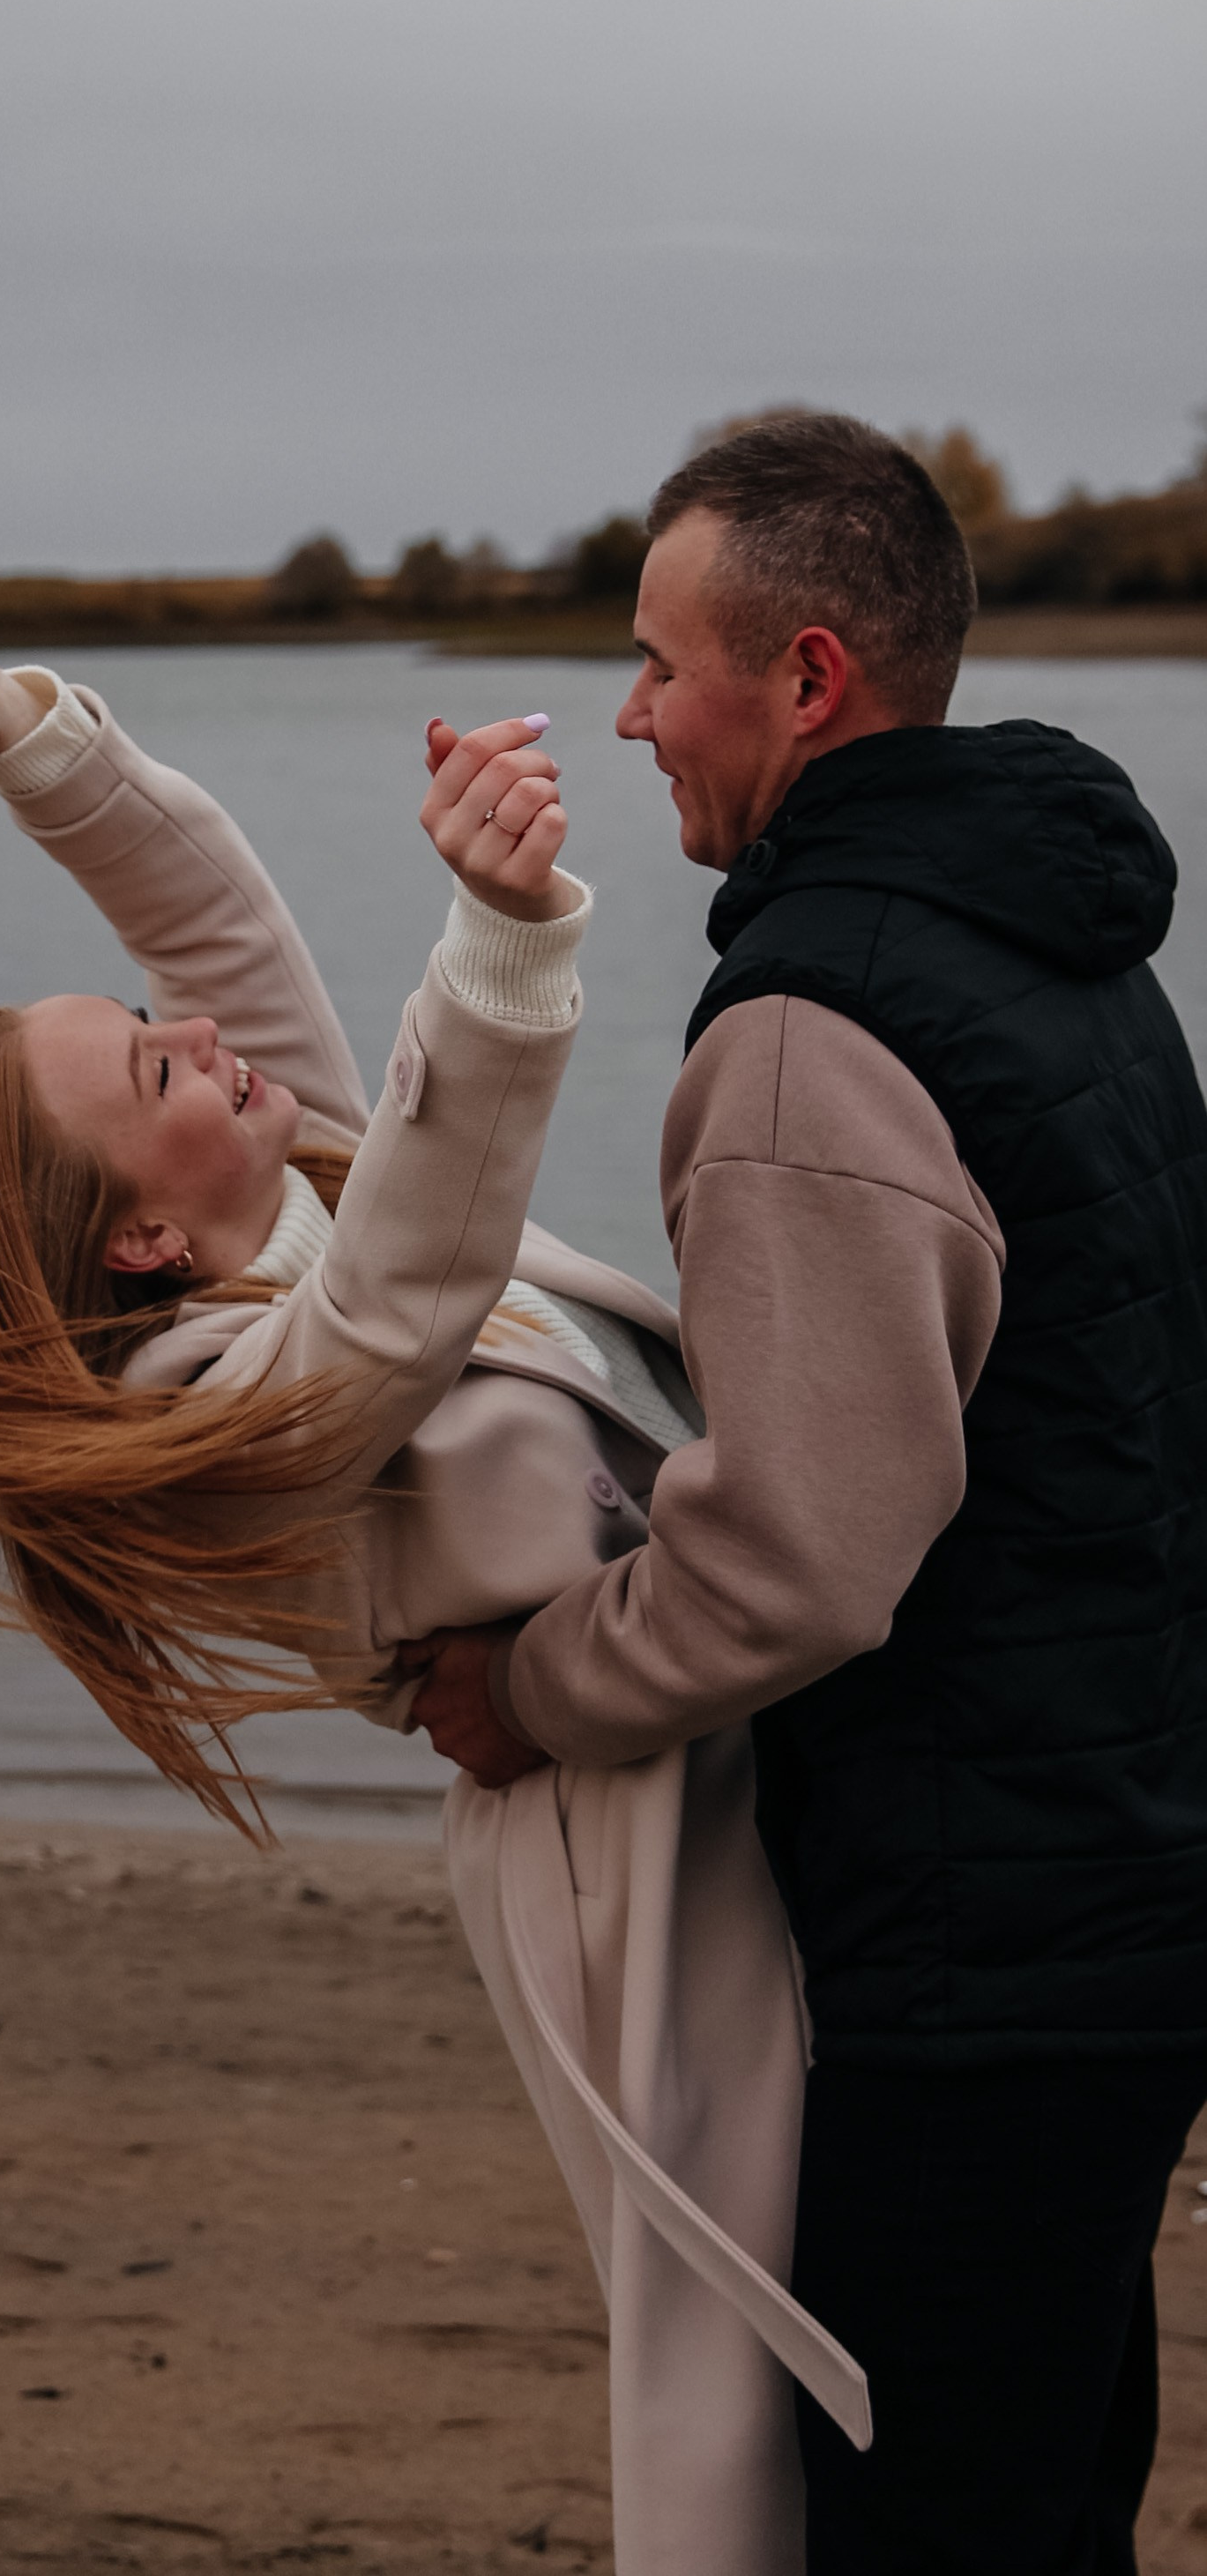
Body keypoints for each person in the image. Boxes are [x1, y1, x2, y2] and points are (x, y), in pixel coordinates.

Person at [0, 638, 867, 2572]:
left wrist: (28, 740)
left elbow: (206, 919)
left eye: (162, 1026)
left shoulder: (288, 1178)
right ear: (141, 1229)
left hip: (701, 1730)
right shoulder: (203, 1408)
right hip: (607, 1845)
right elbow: (402, 1292)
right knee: (722, 2355)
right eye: (158, 1068)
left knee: (836, 2296)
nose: (204, 1039)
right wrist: (504, 942)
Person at [405, 413, 1207, 2574]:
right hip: (1124, 1892)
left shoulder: (802, 1022)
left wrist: (532, 1686)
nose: (632, 708)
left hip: (978, 1950)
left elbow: (797, 1561)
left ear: (813, 680)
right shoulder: (1073, 947)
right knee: (1049, 2505)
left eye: (665, 662)